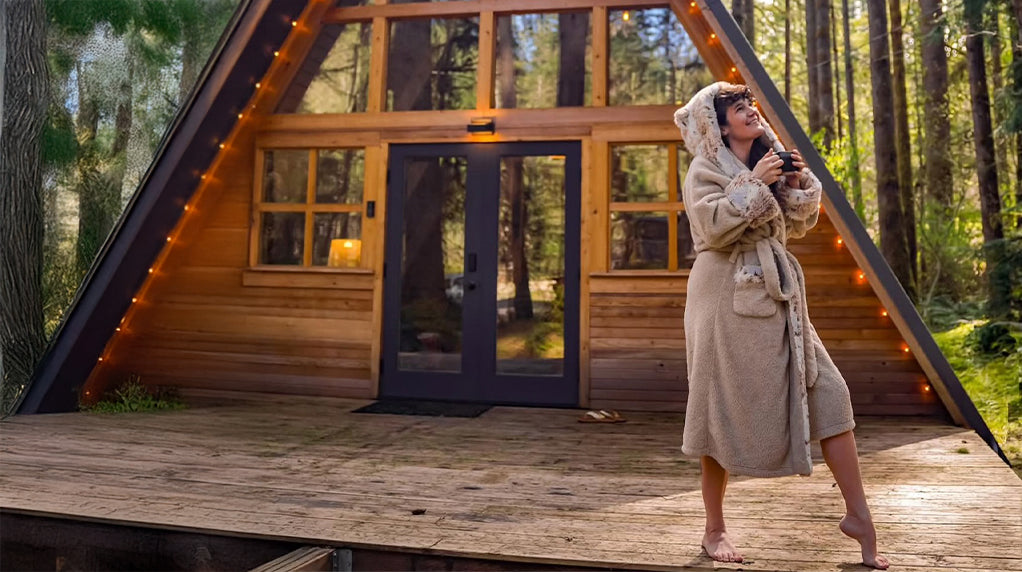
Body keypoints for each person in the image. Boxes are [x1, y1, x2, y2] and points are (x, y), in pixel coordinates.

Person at [673, 82, 890, 570]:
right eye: (736, 107)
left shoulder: (768, 158)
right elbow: (711, 228)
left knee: (831, 391)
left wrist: (791, 185)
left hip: (777, 292)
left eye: (750, 103)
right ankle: (714, 528)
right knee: (716, 404)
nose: (750, 110)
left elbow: (795, 226)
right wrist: (753, 180)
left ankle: (859, 516)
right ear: (717, 123)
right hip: (722, 294)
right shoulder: (704, 168)